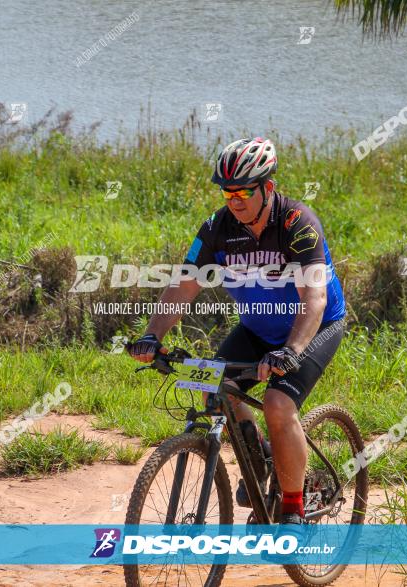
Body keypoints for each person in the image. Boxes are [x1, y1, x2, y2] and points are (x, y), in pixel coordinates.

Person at [129, 137, 346, 526]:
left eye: (245, 190)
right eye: (228, 191)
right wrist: (152, 335)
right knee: (212, 386)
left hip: (313, 328)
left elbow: (314, 300)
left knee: (279, 405)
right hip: (257, 328)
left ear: (268, 188)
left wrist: (292, 350)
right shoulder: (217, 228)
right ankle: (260, 455)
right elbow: (183, 287)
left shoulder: (298, 225)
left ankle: (292, 509)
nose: (235, 199)